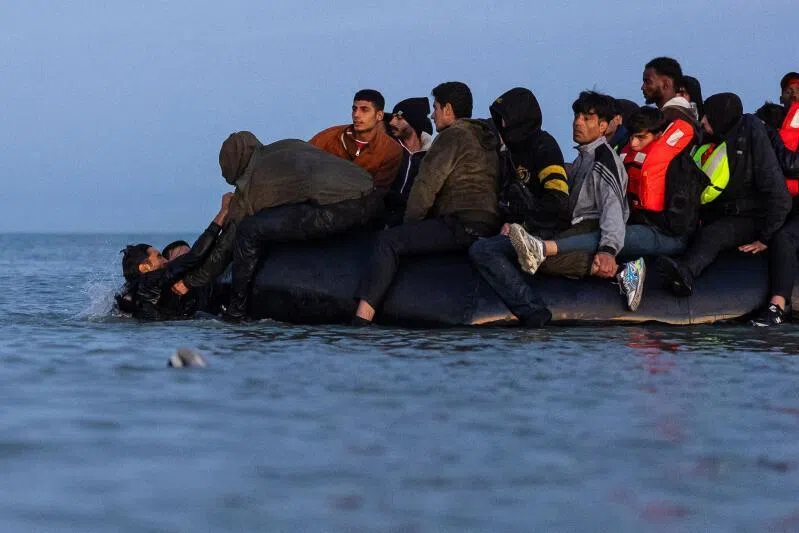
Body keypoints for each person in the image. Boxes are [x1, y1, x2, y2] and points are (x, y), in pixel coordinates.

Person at [177, 133, 383, 320]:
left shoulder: (254, 182)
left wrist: (190, 282)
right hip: (375, 196)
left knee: (248, 230)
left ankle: (236, 310)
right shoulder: (285, 145)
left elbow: (228, 243)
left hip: (346, 209)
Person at [353, 81, 500, 325]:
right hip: (488, 223)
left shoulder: (451, 136)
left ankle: (363, 316)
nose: (432, 115)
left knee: (388, 242)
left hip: (460, 223)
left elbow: (425, 188)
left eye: (436, 108)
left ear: (448, 110)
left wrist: (408, 226)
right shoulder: (484, 138)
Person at [657, 92, 791, 296]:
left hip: (750, 217)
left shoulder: (751, 139)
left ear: (720, 117)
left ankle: (686, 274)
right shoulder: (716, 138)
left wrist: (765, 237)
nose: (702, 121)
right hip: (718, 211)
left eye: (708, 117)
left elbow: (779, 195)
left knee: (714, 235)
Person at [115, 193, 232, 320]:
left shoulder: (130, 292)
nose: (165, 260)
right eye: (159, 256)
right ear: (144, 267)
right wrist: (224, 211)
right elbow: (194, 256)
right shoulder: (152, 278)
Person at [310, 89, 403, 190]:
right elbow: (303, 161)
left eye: (364, 110)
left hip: (362, 203)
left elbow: (379, 191)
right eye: (354, 109)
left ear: (379, 115)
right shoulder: (329, 137)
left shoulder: (390, 149)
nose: (356, 115)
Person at [383, 97, 434, 227]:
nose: (392, 122)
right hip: (380, 216)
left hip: (411, 223)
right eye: (393, 117)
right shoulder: (387, 146)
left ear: (414, 121)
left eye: (399, 118)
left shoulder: (432, 156)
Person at [641, 57, 698, 128]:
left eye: (648, 82)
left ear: (666, 84)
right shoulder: (688, 115)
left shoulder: (669, 118)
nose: (643, 87)